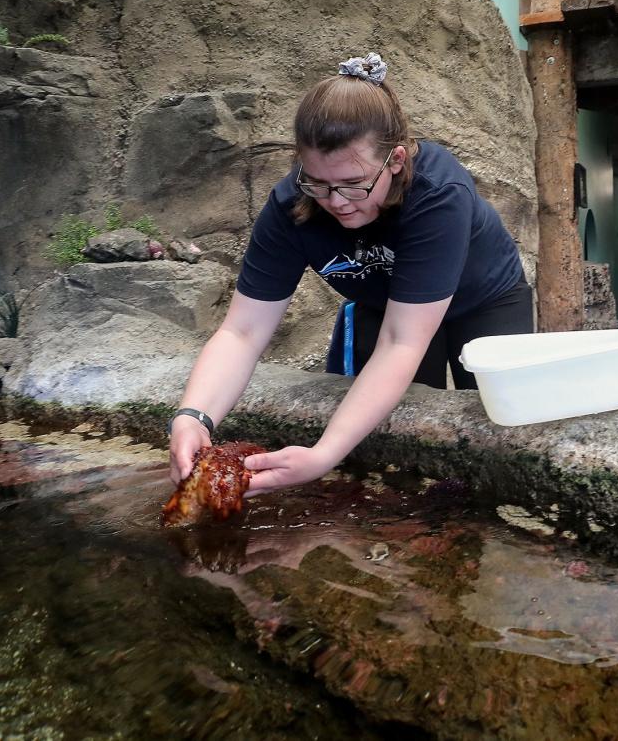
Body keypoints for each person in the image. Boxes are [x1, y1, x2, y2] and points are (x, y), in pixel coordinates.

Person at [168, 53, 533, 497]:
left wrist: (322, 455)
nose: (335, 201)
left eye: (352, 184)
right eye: (317, 183)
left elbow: (404, 342)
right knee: (384, 446)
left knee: (498, 427)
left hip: (483, 301)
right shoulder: (291, 205)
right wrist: (193, 416)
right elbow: (242, 332)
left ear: (395, 160)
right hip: (384, 305)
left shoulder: (438, 194)